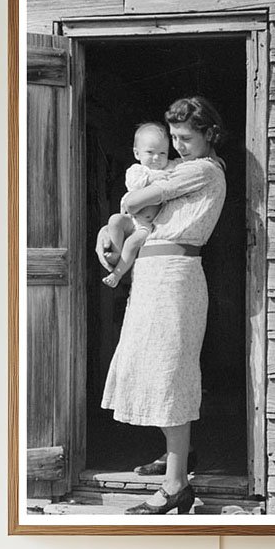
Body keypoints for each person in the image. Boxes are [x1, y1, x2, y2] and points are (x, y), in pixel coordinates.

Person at [98, 95, 228, 515]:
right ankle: (179, 457)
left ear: (210, 134)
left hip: (176, 277)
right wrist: (112, 228)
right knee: (154, 368)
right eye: (173, 138)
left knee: (170, 371)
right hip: (152, 277)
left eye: (187, 137)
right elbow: (133, 212)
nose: (179, 145)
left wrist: (126, 211)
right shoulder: (177, 168)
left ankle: (176, 485)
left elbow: (135, 201)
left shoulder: (204, 170)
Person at [102, 122, 176, 288]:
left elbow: (181, 167)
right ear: (137, 153)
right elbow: (135, 185)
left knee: (132, 244)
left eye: (162, 153)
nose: (157, 158)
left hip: (146, 226)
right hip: (131, 218)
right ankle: (116, 252)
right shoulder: (137, 170)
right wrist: (156, 178)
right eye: (150, 152)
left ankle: (117, 273)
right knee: (114, 220)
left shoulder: (170, 167)